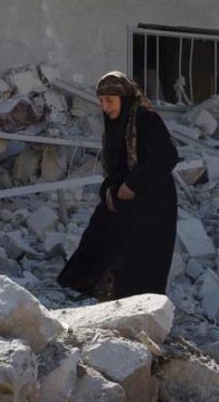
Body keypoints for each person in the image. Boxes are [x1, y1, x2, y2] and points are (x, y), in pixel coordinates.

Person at [57, 71, 179, 301]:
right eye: (101, 101)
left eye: (110, 101)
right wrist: (109, 191)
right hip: (124, 202)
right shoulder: (115, 125)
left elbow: (167, 156)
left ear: (124, 99)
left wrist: (134, 183)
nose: (105, 107)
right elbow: (115, 166)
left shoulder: (145, 119)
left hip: (153, 204)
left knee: (141, 261)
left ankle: (139, 309)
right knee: (99, 239)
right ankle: (106, 296)